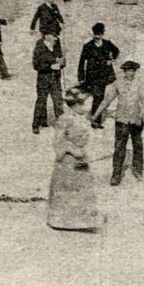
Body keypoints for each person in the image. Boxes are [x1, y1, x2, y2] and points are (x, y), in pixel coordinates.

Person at [47, 88, 101, 232]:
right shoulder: (64, 119)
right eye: (85, 104)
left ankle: (83, 220)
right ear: (75, 105)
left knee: (83, 189)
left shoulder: (84, 119)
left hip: (82, 158)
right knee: (67, 189)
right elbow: (58, 142)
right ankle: (63, 221)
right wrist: (72, 150)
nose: (89, 107)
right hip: (68, 161)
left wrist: (87, 151)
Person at [91, 60, 144, 185]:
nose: (130, 73)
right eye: (128, 71)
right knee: (119, 148)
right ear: (124, 72)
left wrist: (140, 115)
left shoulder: (139, 84)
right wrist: (95, 115)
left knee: (137, 145)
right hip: (121, 120)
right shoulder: (118, 84)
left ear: (135, 72)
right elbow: (107, 100)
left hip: (136, 120)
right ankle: (116, 175)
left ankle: (138, 170)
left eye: (132, 71)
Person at [78, 23, 121, 130]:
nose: (98, 36)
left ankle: (95, 118)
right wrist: (81, 76)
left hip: (104, 75)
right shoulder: (87, 46)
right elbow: (81, 62)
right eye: (96, 34)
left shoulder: (107, 43)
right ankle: (95, 120)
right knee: (97, 97)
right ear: (94, 34)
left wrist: (111, 60)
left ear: (102, 34)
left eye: (100, 34)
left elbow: (116, 50)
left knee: (99, 97)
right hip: (92, 76)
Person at [32, 32, 65, 134]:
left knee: (58, 101)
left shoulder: (56, 45)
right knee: (41, 102)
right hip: (43, 80)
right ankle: (37, 124)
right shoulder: (39, 47)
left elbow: (62, 59)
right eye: (54, 35)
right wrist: (50, 67)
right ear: (46, 36)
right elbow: (36, 65)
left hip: (55, 79)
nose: (56, 38)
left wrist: (62, 63)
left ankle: (62, 125)